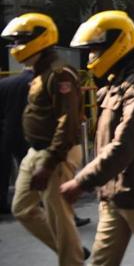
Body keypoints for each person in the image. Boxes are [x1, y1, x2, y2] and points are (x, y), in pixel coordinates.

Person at [59, 10, 134, 266]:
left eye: (96, 49)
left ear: (117, 44)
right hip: (114, 192)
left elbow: (125, 143)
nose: (91, 56)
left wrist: (82, 180)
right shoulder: (119, 82)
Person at [2, 13, 87, 265]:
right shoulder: (37, 72)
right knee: (22, 208)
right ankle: (72, 252)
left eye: (20, 41)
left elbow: (67, 121)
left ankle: (71, 258)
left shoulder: (59, 74)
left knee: (60, 217)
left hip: (56, 154)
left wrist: (50, 162)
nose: (16, 47)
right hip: (36, 151)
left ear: (39, 40)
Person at [0, 68, 33, 214]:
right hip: (26, 133)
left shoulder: (4, 83)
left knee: (3, 170)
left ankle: (2, 203)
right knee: (30, 169)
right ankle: (34, 202)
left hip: (4, 132)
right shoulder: (35, 83)